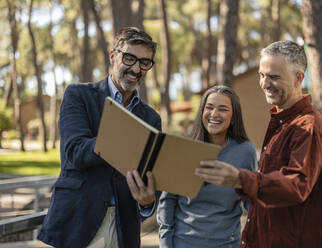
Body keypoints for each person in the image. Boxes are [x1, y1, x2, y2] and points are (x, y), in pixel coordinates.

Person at [195, 40, 322, 248]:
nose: (264, 83)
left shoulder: (310, 127)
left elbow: (296, 184)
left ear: (299, 78)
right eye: (262, 75)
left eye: (274, 77)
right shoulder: (282, 123)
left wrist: (240, 179)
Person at [38, 27, 161, 248]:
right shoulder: (78, 95)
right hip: (77, 222)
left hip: (125, 228)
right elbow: (75, 152)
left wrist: (149, 202)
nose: (136, 69)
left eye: (145, 62)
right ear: (113, 56)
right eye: (130, 58)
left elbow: (150, 174)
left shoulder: (151, 118)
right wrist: (123, 138)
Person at [157, 85, 257, 248]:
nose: (214, 114)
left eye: (223, 109)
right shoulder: (183, 149)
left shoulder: (245, 151)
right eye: (209, 107)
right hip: (183, 243)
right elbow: (167, 201)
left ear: (233, 117)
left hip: (227, 244)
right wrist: (166, 244)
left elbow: (252, 204)